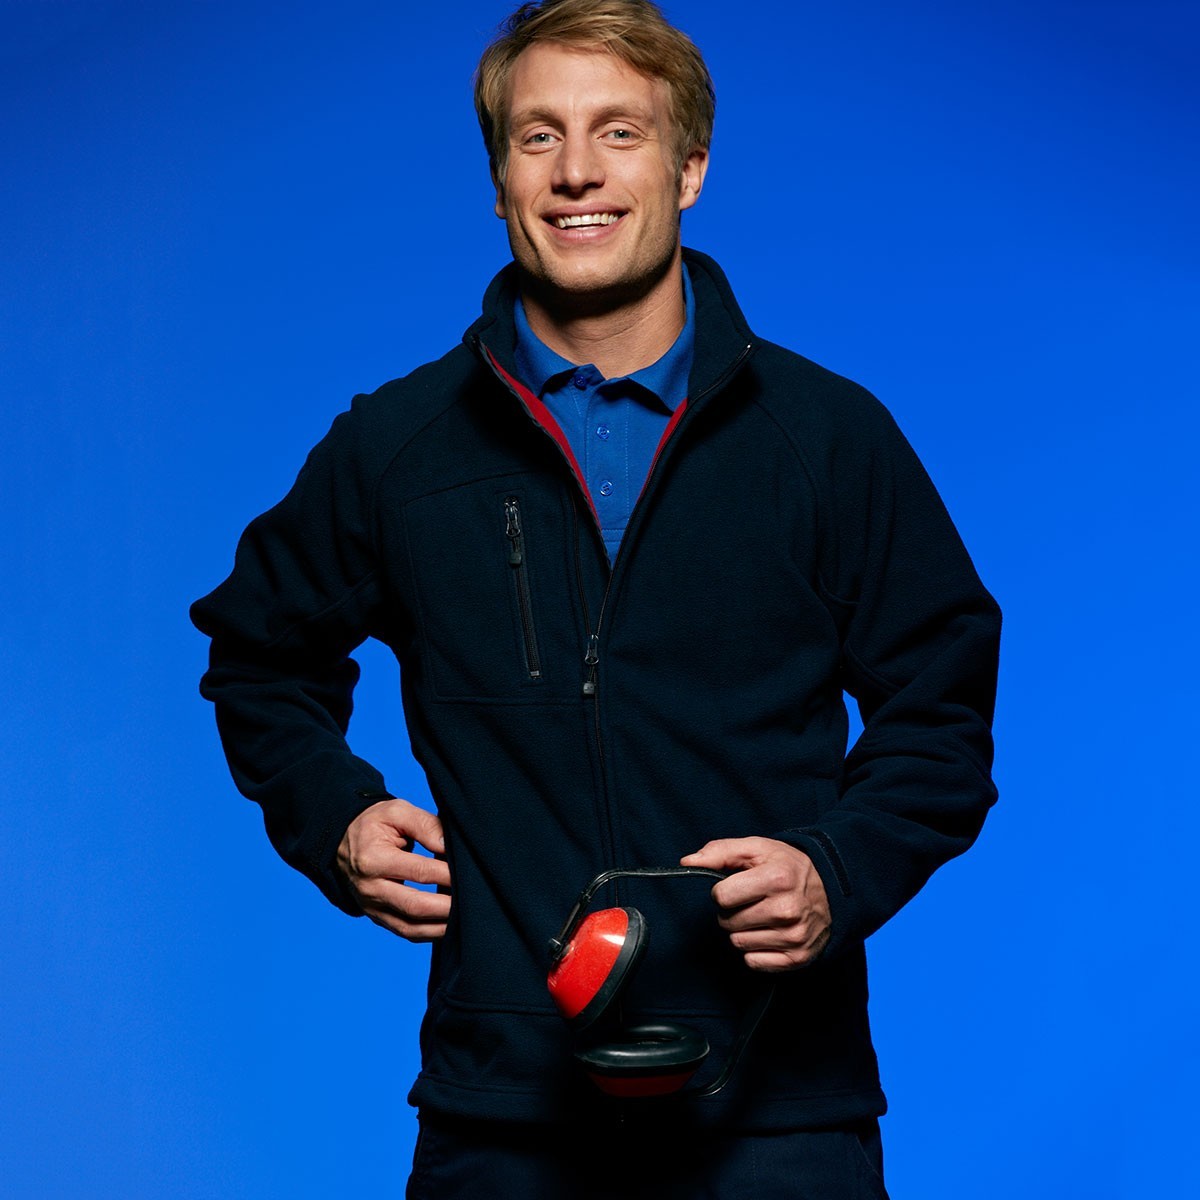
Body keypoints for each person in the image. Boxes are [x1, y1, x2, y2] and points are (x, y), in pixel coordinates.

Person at [191, 1, 1000, 1195]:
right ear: (501, 180)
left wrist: (838, 869)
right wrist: (338, 820)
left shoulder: (828, 440)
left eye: (620, 132)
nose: (577, 171)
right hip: (505, 1116)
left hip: (781, 1115)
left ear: (689, 169)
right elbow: (258, 656)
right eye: (539, 136)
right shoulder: (398, 450)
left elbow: (942, 714)